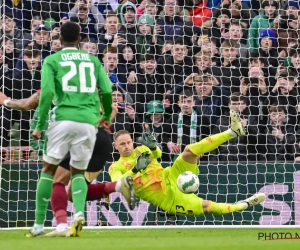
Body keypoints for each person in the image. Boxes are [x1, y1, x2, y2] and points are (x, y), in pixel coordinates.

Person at [0, 90, 136, 237]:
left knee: (55, 180)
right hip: (103, 141)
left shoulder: (57, 81)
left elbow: (27, 104)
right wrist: (99, 123)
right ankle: (117, 185)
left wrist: (6, 101)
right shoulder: (91, 79)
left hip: (79, 136)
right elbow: (113, 109)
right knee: (73, 192)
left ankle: (61, 225)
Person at [31, 21, 112, 237]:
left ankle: (39, 225)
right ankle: (78, 213)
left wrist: (39, 125)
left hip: (62, 119)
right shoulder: (93, 60)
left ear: (59, 40)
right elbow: (106, 90)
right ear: (79, 39)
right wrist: (105, 116)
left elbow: (46, 94)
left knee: (49, 171)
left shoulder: (52, 60)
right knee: (77, 172)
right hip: (88, 122)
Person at [109, 111, 266, 218]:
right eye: (122, 144)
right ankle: (243, 205)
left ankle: (232, 132)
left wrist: (152, 146)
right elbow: (118, 184)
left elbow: (158, 154)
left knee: (189, 151)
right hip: (169, 198)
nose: (127, 146)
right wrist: (136, 169)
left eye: (129, 142)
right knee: (207, 207)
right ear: (115, 146)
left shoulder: (140, 149)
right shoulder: (116, 166)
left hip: (171, 174)